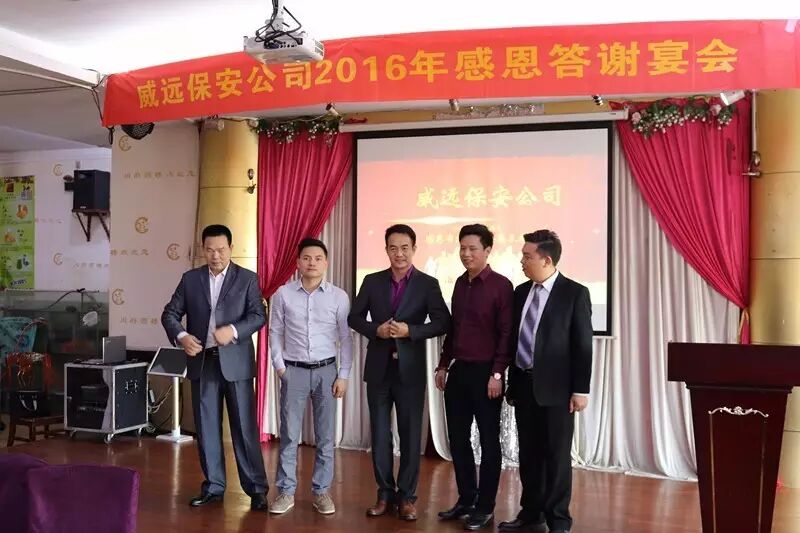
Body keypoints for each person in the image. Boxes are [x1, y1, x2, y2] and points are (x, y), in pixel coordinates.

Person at [161, 224, 268, 511]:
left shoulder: (247, 279)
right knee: (206, 428)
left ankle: (256, 489)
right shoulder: (191, 279)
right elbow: (170, 314)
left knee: (244, 428)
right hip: (203, 362)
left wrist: (233, 330)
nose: (215, 255)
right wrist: (182, 336)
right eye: (210, 250)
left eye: (221, 250)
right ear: (203, 249)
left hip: (236, 364)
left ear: (231, 248)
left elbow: (258, 315)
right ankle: (214, 486)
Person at [348, 224, 451, 521]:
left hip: (410, 372)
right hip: (378, 370)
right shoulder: (372, 281)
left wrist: (411, 331)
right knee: (380, 435)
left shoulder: (428, 284)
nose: (399, 254)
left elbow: (443, 322)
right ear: (386, 250)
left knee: (410, 435)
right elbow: (354, 318)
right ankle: (384, 494)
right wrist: (375, 330)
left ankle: (407, 497)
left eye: (405, 248)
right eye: (393, 248)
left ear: (414, 249)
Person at [500, 230, 593, 533]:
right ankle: (531, 513)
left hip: (558, 391)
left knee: (556, 457)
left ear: (546, 260)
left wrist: (580, 390)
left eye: (527, 256)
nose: (522, 261)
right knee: (529, 455)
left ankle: (559, 520)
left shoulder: (574, 293)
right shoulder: (520, 292)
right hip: (524, 387)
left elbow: (582, 345)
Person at [435, 224, 513, 531]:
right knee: (458, 439)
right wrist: (443, 364)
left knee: (489, 441)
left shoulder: (501, 286)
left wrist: (497, 373)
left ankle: (485, 506)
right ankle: (467, 498)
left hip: (486, 374)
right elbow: (454, 329)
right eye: (462, 248)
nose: (466, 254)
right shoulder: (459, 283)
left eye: (473, 249)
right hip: (459, 371)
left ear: (488, 250)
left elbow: (506, 334)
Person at [268, 238, 352, 515]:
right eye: (306, 258)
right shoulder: (283, 294)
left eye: (317, 258)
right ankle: (286, 491)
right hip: (293, 371)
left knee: (325, 437)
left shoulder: (339, 296)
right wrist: (280, 368)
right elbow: (275, 332)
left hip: (327, 371)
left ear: (326, 263)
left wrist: (343, 374)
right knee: (289, 435)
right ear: (298, 263)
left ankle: (321, 492)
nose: (312, 263)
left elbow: (345, 338)